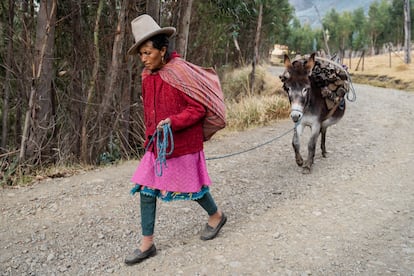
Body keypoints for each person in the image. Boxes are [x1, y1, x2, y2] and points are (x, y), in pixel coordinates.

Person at [124, 14, 227, 265]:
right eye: (141, 54)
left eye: (148, 53)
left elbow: (198, 109)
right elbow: (149, 109)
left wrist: (173, 121)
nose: (144, 58)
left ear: (162, 50)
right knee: (146, 189)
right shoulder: (147, 76)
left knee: (193, 187)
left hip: (182, 143)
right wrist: (150, 137)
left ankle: (216, 216)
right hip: (156, 145)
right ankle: (147, 243)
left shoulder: (180, 72)